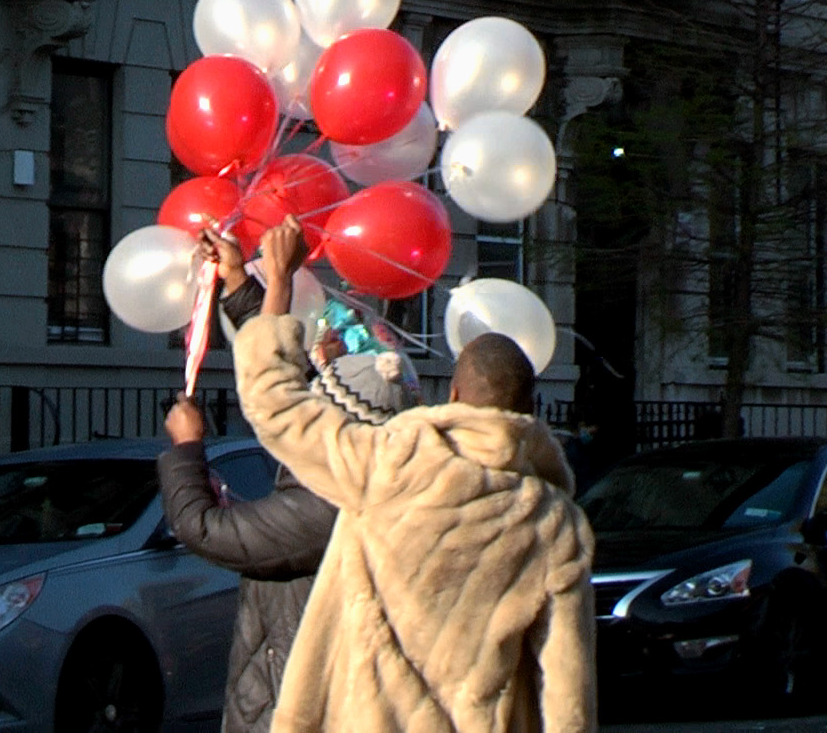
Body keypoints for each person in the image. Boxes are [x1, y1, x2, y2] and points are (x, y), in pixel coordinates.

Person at [232, 216, 597, 733]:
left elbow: (275, 403)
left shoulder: (388, 466)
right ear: (529, 410)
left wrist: (281, 281)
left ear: (452, 394)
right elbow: (566, 690)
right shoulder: (553, 524)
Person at [157, 225, 416, 733]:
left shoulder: (329, 502)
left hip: (298, 709)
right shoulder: (395, 473)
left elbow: (202, 528)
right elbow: (284, 384)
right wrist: (238, 281)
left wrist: (186, 450)